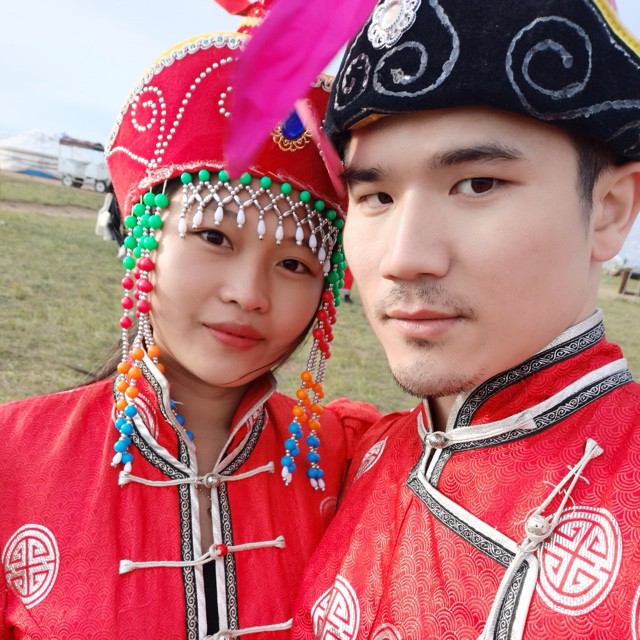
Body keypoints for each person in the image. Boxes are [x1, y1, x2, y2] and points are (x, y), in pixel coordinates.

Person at [0, 4, 379, 638]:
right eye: (214, 236)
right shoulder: (13, 460)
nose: (249, 294)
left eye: (294, 264)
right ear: (144, 239)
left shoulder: (349, 462)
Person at [290, 0, 640, 638]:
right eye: (376, 196)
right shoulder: (356, 458)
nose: (402, 258)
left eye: (477, 184)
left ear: (610, 208)